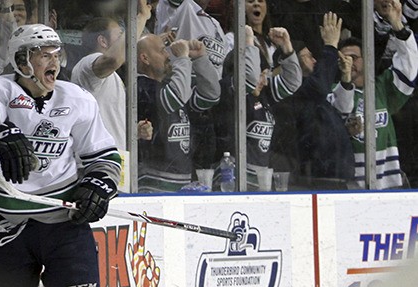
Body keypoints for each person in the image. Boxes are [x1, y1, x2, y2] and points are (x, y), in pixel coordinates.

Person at [0, 24, 121, 287]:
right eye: (43, 55)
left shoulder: (77, 98)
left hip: (64, 224)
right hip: (10, 226)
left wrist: (99, 184)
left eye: (56, 54)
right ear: (22, 61)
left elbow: (104, 156)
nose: (54, 62)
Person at [329, 0, 418, 189]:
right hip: (351, 190)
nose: (349, 62)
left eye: (354, 57)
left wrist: (397, 25)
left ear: (366, 60)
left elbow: (409, 67)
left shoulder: (381, 87)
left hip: (390, 185)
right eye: (344, 58)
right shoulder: (334, 91)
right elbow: (343, 106)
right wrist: (345, 81)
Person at [269, 12, 355, 190]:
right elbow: (320, 86)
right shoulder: (293, 92)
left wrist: (346, 79)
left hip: (336, 178)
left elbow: (341, 109)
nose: (315, 60)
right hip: (312, 181)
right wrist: (330, 46)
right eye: (308, 56)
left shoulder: (313, 95)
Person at [214, 26, 302, 190]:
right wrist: (248, 42)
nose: (264, 80)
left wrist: (286, 47)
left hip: (260, 183)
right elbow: (248, 79)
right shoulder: (229, 90)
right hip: (232, 183)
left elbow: (293, 82)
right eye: (261, 74)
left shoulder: (263, 94)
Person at [137, 34, 221, 192]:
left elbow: (211, 95)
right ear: (145, 58)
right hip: (153, 186)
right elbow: (176, 97)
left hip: (182, 183)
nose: (168, 55)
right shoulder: (140, 87)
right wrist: (182, 58)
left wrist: (200, 59)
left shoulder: (170, 86)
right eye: (162, 51)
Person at [70, 0, 152, 151]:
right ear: (102, 41)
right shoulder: (87, 64)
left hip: (114, 160)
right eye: (120, 34)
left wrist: (134, 131)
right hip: (96, 162)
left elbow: (107, 120)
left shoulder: (111, 75)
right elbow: (114, 59)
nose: (125, 39)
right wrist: (141, 17)